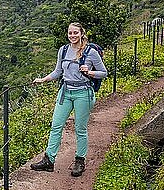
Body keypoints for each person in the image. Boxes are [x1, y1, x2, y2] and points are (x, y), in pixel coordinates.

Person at [31, 22, 107, 176]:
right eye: (70, 33)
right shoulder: (63, 50)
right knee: (56, 125)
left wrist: (90, 72)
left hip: (83, 93)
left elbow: (103, 72)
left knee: (80, 128)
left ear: (81, 34)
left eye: (75, 33)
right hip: (65, 92)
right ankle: (49, 160)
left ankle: (80, 161)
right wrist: (44, 79)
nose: (72, 36)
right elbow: (58, 71)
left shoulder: (90, 52)